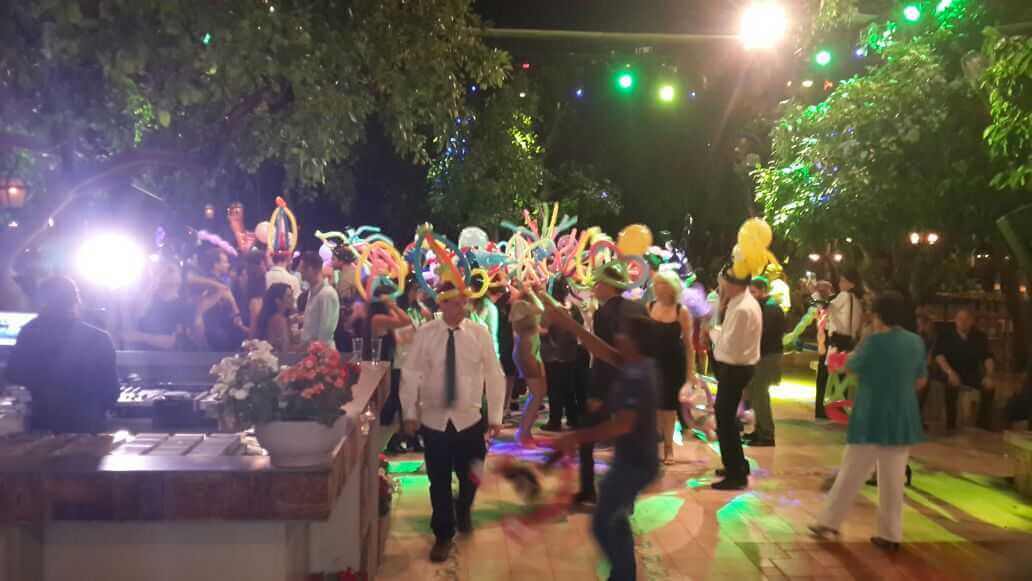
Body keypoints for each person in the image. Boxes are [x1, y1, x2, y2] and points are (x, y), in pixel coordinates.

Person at [546, 309, 659, 581]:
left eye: (624, 334)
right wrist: (569, 324)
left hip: (636, 464)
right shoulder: (635, 363)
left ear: (636, 342)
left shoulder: (637, 375)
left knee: (603, 522)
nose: (618, 337)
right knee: (614, 518)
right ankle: (624, 574)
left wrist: (575, 437)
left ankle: (623, 575)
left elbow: (622, 425)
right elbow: (601, 349)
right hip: (630, 460)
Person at [810, 291, 926, 552]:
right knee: (893, 480)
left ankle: (828, 522)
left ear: (878, 315)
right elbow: (920, 380)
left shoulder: (874, 342)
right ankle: (891, 535)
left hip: (871, 416)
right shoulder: (915, 342)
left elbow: (848, 367)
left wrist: (841, 360)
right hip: (902, 417)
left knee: (851, 472)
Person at [399, 281, 505, 563]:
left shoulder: (479, 333)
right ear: (441, 303)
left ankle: (465, 505)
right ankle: (443, 534)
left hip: (469, 418)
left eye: (462, 302)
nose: (459, 308)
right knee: (439, 479)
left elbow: (494, 374)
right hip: (434, 420)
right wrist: (409, 413)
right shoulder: (426, 333)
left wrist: (495, 416)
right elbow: (410, 373)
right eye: (452, 302)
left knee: (473, 471)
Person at [6, 277, 118, 433]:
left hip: (44, 423)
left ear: (41, 301)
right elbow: (111, 391)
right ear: (76, 300)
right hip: (89, 426)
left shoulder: (29, 332)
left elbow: (13, 373)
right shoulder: (99, 337)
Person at [576, 262, 648, 505]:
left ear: (608, 286)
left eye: (598, 283)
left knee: (587, 437)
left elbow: (604, 356)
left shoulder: (604, 313)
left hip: (610, 387)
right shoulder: (638, 308)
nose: (595, 287)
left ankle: (588, 489)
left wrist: (596, 393)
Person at [709, 265, 762, 490]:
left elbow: (729, 344)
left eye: (723, 283)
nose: (721, 286)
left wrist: (712, 333)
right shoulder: (742, 302)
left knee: (725, 420)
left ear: (732, 284)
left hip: (735, 368)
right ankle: (737, 464)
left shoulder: (742, 308)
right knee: (728, 418)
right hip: (738, 367)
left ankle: (736, 473)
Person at [647, 270, 695, 464]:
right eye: (657, 284)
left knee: (668, 409)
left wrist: (690, 376)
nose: (659, 288)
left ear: (672, 287)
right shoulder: (649, 306)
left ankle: (669, 448)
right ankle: (654, 446)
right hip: (652, 363)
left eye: (664, 284)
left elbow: (689, 346)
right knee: (652, 407)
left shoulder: (681, 311)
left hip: (673, 364)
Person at [930, 308, 996, 431]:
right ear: (955, 320)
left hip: (970, 372)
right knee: (951, 384)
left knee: (989, 387)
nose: (963, 322)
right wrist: (950, 372)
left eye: (966, 319)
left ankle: (982, 425)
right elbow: (939, 356)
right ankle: (951, 424)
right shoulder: (945, 335)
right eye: (960, 319)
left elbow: (988, 358)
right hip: (948, 370)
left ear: (972, 321)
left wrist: (989, 375)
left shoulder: (980, 336)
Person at [816, 270, 865, 419]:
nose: (840, 283)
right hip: (849, 343)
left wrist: (815, 294)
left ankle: (823, 411)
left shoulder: (844, 296)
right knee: (842, 379)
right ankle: (838, 410)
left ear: (852, 284)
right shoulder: (857, 300)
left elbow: (825, 307)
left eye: (843, 280)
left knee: (826, 377)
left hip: (837, 343)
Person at [744, 276, 786, 447]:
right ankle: (759, 430)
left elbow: (764, 334)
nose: (751, 295)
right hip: (762, 355)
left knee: (760, 395)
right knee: (756, 394)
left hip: (767, 356)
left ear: (763, 291)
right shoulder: (765, 306)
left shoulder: (771, 309)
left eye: (753, 292)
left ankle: (766, 434)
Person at [128, 260, 201, 350]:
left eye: (170, 270)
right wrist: (151, 286)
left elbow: (172, 342)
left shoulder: (186, 307)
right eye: (160, 270)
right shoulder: (148, 300)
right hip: (137, 356)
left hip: (170, 358)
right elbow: (134, 319)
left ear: (180, 278)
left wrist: (140, 337)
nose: (163, 273)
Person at [541, 278, 584, 431]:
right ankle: (572, 418)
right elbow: (580, 327)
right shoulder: (573, 308)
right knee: (569, 388)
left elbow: (544, 330)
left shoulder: (551, 309)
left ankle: (555, 420)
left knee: (554, 389)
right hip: (570, 352)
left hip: (553, 354)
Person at [511, 289, 547, 447]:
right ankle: (523, 433)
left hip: (532, 351)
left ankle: (526, 432)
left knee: (540, 393)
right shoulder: (520, 306)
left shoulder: (527, 306)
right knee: (536, 395)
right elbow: (540, 310)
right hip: (526, 352)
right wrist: (529, 291)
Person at [193, 246, 247, 351]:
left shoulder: (213, 281)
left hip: (218, 332)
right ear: (215, 265)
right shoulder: (213, 284)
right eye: (225, 262)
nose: (228, 265)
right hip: (217, 333)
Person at [299, 251, 339, 347]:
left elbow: (326, 332)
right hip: (310, 350)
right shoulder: (312, 291)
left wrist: (316, 350)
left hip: (321, 352)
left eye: (302, 268)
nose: (300, 271)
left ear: (311, 269)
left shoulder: (327, 293)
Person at [255, 283, 295, 353]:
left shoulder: (272, 316)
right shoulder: (279, 319)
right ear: (278, 301)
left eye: (292, 295)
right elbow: (285, 348)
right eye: (289, 296)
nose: (293, 299)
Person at [234, 251, 267, 336]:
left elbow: (253, 333)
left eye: (244, 275)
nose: (240, 279)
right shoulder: (259, 296)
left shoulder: (255, 301)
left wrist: (239, 325)